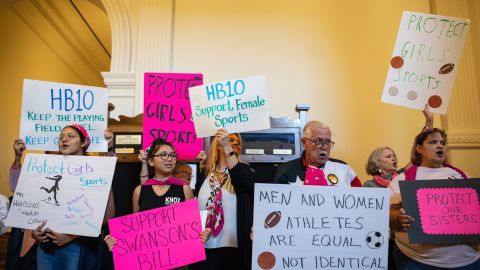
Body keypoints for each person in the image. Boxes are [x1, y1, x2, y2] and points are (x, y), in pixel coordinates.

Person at [103, 138, 211, 267]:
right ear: (151, 161)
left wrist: (203, 235)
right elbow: (134, 233)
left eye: (172, 155)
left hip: (176, 262)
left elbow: (193, 229)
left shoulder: (184, 190)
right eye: (163, 155)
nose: (169, 158)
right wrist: (117, 243)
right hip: (146, 263)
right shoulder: (139, 191)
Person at [389, 128, 480, 269]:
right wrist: (399, 217)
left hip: (469, 261)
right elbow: (385, 217)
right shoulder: (401, 180)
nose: (440, 146)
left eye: (442, 143)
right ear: (419, 148)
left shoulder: (463, 176)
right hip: (418, 262)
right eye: (433, 142)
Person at [28, 124, 115, 270]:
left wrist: (70, 236)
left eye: (70, 136)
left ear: (84, 142)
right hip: (45, 246)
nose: (64, 140)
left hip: (79, 247)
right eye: (61, 137)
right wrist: (35, 232)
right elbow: (37, 207)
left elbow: (107, 216)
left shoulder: (96, 170)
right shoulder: (47, 169)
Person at [193, 128, 255, 270]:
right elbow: (197, 206)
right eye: (230, 139)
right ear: (218, 144)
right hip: (205, 248)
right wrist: (200, 230)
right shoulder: (206, 172)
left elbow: (241, 183)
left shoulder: (245, 171)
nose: (235, 143)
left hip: (233, 249)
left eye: (237, 142)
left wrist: (228, 147)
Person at [274, 121, 361, 187]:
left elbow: (360, 201)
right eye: (319, 141)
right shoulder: (286, 170)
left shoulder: (344, 169)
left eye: (328, 142)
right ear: (304, 143)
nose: (324, 147)